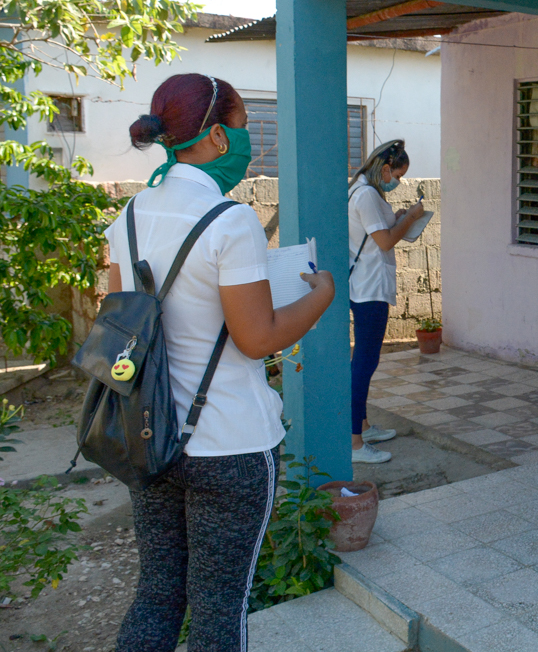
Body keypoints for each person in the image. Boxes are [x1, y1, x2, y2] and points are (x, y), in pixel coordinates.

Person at [108, 74, 335, 651]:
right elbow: (258, 338)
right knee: (218, 609)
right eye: (240, 127)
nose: (245, 138)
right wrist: (320, 296)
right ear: (213, 136)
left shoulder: (128, 219)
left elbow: (119, 320)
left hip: (149, 435)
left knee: (158, 592)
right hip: (229, 445)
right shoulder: (229, 222)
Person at [347, 140, 426, 463]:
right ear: (384, 169)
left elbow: (378, 230)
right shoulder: (365, 194)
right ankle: (354, 443)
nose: (398, 182)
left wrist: (397, 216)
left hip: (369, 285)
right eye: (398, 175)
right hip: (368, 288)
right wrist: (410, 217)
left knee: (367, 362)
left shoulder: (365, 190)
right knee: (364, 363)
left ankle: (362, 427)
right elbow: (384, 241)